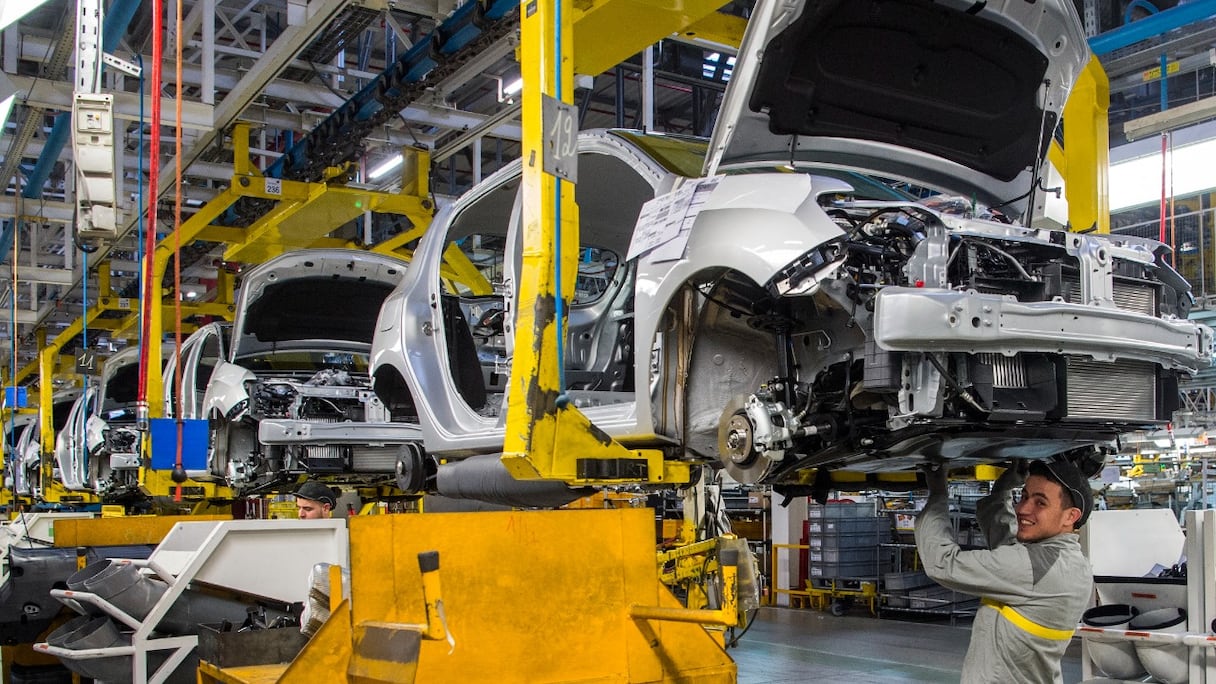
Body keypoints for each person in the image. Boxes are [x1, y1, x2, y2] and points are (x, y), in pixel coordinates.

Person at [914, 458, 1094, 683]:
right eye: (1024, 496)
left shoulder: (1039, 567)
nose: (1022, 508)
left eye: (1040, 503)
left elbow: (943, 563)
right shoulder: (1067, 561)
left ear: (1071, 516)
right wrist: (1003, 489)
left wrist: (938, 493)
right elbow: (1008, 548)